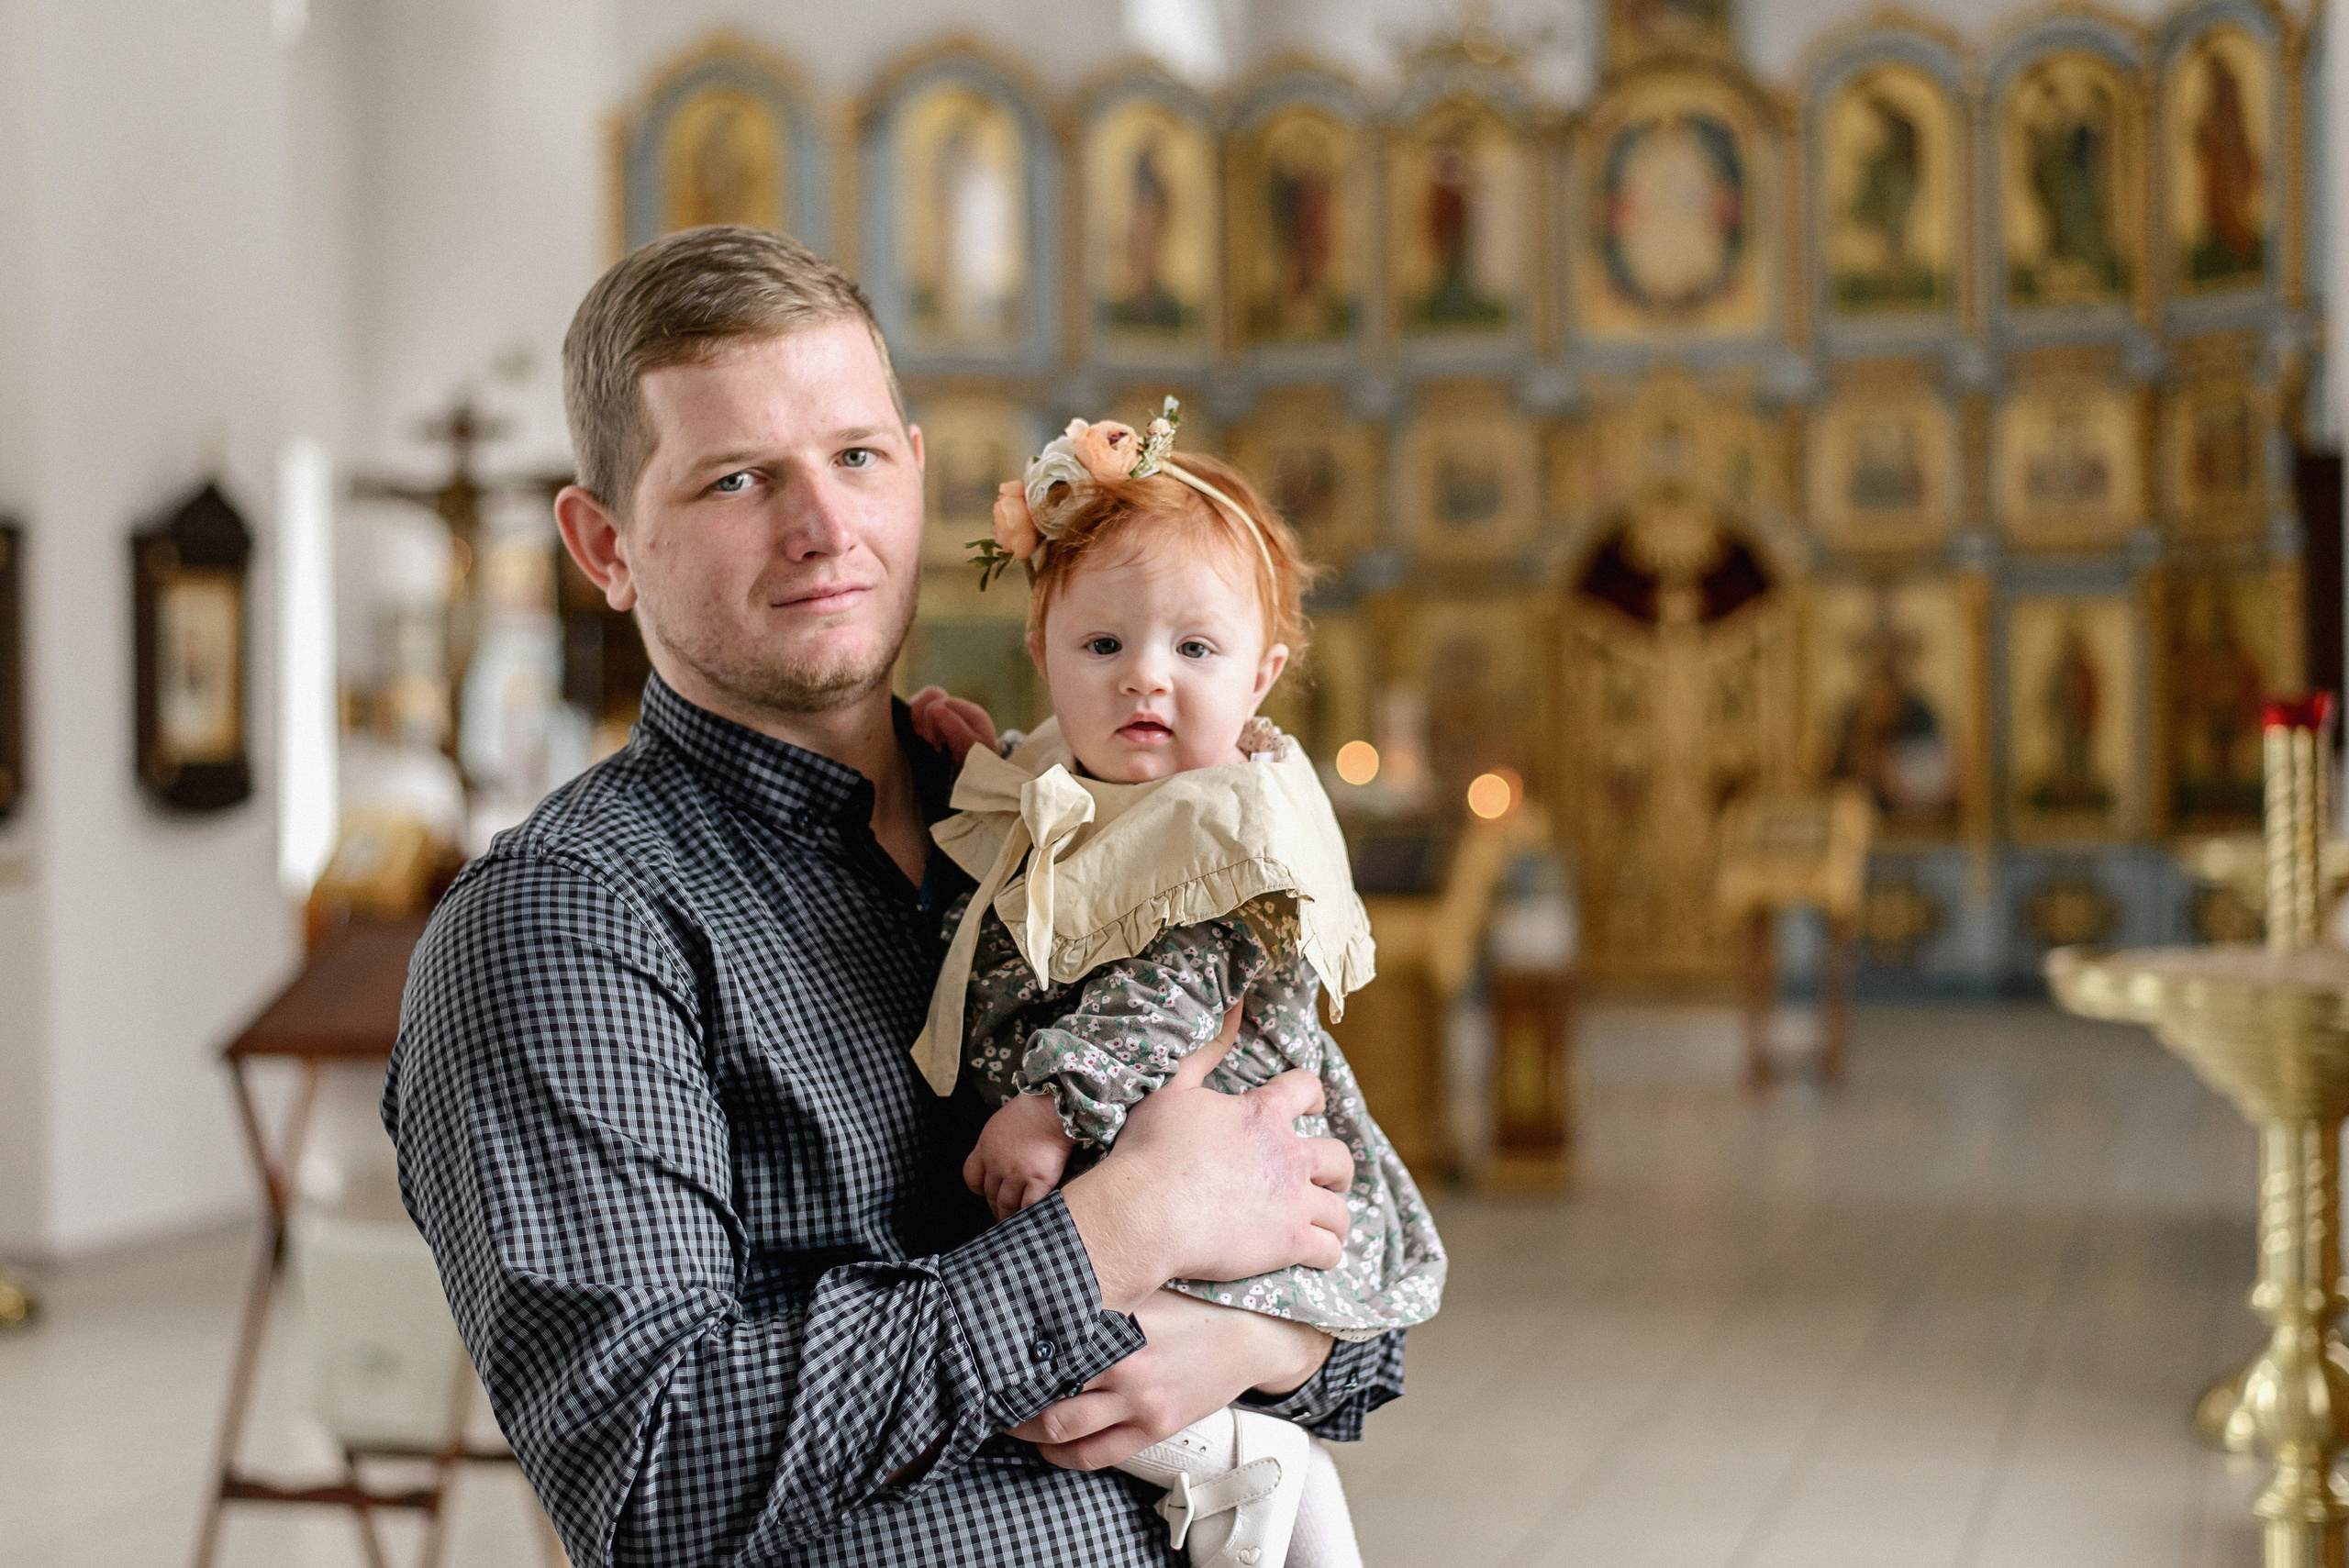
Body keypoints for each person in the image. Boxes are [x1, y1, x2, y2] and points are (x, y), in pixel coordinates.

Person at [380, 225, 1406, 1567]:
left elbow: (1357, 1282)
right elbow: (653, 1473)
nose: (824, 529)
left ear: (916, 470)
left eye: (856, 457)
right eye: (737, 478)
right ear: (604, 545)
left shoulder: (1065, 825)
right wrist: (1122, 1230)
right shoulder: (567, 921)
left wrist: (1260, 1337)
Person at [913, 404, 1444, 1568]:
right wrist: (973, 758)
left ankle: (1240, 1462)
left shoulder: (1228, 822)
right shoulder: (1087, 772)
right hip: (1137, 1172)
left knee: (1060, 1360)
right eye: (1102, 645)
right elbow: (1043, 820)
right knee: (1048, 1349)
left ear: (1261, 676)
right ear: (1044, 654)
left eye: (1194, 651)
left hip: (1189, 1156)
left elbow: (1164, 992)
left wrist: (1053, 1107)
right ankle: (1261, 1469)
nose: (1144, 677)